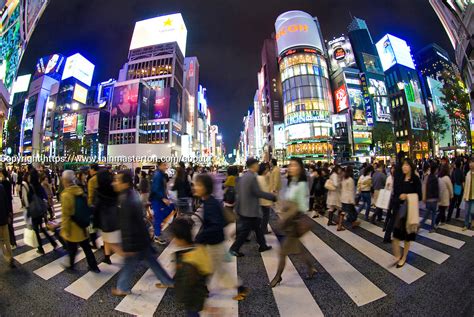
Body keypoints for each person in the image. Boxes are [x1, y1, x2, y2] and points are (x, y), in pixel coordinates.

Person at [112, 170, 173, 296]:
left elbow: (128, 225)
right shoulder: (132, 194)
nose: (114, 183)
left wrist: (128, 246)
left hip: (135, 240)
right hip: (141, 237)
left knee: (130, 263)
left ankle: (123, 288)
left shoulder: (125, 199)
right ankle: (167, 280)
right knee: (151, 261)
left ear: (125, 183)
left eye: (117, 180)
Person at [194, 173, 249, 301]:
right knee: (214, 268)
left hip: (214, 242)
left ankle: (239, 288)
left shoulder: (210, 204)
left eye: (198, 185)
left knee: (214, 268)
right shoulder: (210, 201)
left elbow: (216, 225)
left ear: (205, 187)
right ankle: (205, 288)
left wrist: (200, 237)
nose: (195, 187)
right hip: (214, 241)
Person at [270, 158, 317, 287]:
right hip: (291, 222)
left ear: (300, 168)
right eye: (290, 165)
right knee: (299, 249)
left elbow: (302, 206)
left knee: (283, 252)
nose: (291, 168)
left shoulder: (301, 185)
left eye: (294, 165)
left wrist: (287, 213)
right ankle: (310, 268)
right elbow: (289, 201)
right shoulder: (293, 182)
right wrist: (284, 206)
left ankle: (278, 276)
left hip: (295, 222)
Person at [229, 158, 276, 257]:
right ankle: (234, 248)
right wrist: (271, 196)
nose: (258, 166)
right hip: (249, 210)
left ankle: (263, 245)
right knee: (245, 232)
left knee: (258, 228)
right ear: (253, 165)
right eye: (257, 164)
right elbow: (257, 192)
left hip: (245, 208)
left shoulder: (244, 176)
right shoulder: (252, 177)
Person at [170, 218, 212, 316]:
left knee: (192, 313)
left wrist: (180, 298)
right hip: (200, 293)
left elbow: (185, 285)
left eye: (173, 237)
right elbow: (208, 270)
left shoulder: (186, 261)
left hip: (192, 299)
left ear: (180, 239)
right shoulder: (200, 249)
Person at [60, 170, 100, 273]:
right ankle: (94, 266)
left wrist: (65, 230)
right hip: (82, 226)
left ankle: (71, 265)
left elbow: (66, 215)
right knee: (86, 247)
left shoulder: (66, 195)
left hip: (73, 227)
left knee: (72, 248)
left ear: (65, 180)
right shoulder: (80, 190)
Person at [392, 158, 421, 268]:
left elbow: (420, 195)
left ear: (411, 167)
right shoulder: (400, 178)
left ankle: (404, 257)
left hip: (410, 211)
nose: (404, 167)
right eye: (403, 165)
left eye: (407, 165)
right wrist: (399, 198)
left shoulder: (415, 179)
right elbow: (395, 194)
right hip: (400, 211)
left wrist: (407, 196)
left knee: (407, 236)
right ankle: (398, 255)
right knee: (396, 235)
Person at [25, 169, 58, 254]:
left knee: (36, 230)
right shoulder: (39, 186)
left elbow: (29, 200)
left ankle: (40, 248)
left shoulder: (31, 187)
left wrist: (28, 213)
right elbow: (44, 196)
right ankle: (53, 242)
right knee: (42, 228)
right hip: (40, 210)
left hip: (34, 211)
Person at [95, 169, 121, 264]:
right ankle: (106, 257)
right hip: (115, 216)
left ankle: (130, 258)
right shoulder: (114, 186)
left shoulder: (100, 190)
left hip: (106, 219)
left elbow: (97, 205)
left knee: (112, 242)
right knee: (107, 239)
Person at [150, 161, 175, 245]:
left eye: (166, 165)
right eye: (164, 165)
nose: (166, 167)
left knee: (170, 208)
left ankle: (156, 228)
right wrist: (163, 198)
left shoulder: (160, 174)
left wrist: (165, 196)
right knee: (159, 217)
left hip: (160, 199)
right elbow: (155, 189)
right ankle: (157, 236)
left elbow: (161, 188)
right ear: (159, 166)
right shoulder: (158, 175)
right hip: (157, 199)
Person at [0, 182, 15, 268]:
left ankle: (8, 257)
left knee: (0, 242)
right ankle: (11, 256)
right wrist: (8, 214)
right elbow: (7, 201)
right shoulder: (1, 187)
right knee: (6, 240)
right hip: (4, 218)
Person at [421, 163, 439, 233]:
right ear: (436, 170)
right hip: (434, 199)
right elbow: (437, 189)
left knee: (427, 214)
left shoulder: (427, 177)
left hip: (428, 198)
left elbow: (424, 187)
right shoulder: (435, 178)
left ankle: (420, 224)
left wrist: (424, 197)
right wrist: (438, 198)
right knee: (434, 214)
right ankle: (432, 227)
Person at [0, 170, 15, 248]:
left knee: (9, 226)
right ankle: (12, 242)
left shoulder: (3, 184)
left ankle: (12, 242)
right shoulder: (7, 183)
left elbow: (6, 197)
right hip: (8, 206)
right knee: (10, 225)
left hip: (6, 207)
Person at [257, 163, 272, 234]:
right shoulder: (261, 178)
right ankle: (263, 230)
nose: (267, 170)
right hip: (264, 201)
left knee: (264, 216)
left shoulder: (261, 177)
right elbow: (264, 190)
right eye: (266, 169)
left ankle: (262, 229)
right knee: (265, 216)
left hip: (262, 200)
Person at [383, 165, 396, 243]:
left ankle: (387, 232)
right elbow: (386, 188)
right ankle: (387, 234)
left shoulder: (397, 178)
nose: (393, 170)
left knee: (391, 217)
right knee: (390, 216)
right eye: (392, 168)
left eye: (394, 168)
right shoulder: (389, 178)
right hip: (391, 199)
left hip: (394, 199)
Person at [462, 159, 474, 231]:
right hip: (468, 196)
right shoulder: (468, 174)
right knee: (466, 212)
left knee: (472, 211)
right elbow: (466, 186)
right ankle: (466, 225)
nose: (471, 165)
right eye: (470, 163)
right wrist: (464, 195)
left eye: (472, 163)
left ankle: (472, 220)